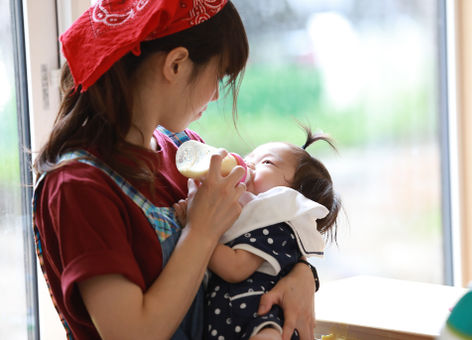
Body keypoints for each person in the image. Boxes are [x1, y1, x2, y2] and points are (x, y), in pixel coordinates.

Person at [32, 1, 318, 340]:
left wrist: (302, 273)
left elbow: (257, 227)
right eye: (219, 76)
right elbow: (131, 334)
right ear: (177, 64)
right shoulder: (77, 186)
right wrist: (200, 232)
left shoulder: (186, 149)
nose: (214, 95)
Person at [173, 127, 340, 340]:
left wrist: (195, 226)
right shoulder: (247, 215)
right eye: (248, 156)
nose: (248, 163)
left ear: (292, 194)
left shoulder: (276, 224)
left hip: (261, 317)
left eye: (267, 162)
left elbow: (235, 268)